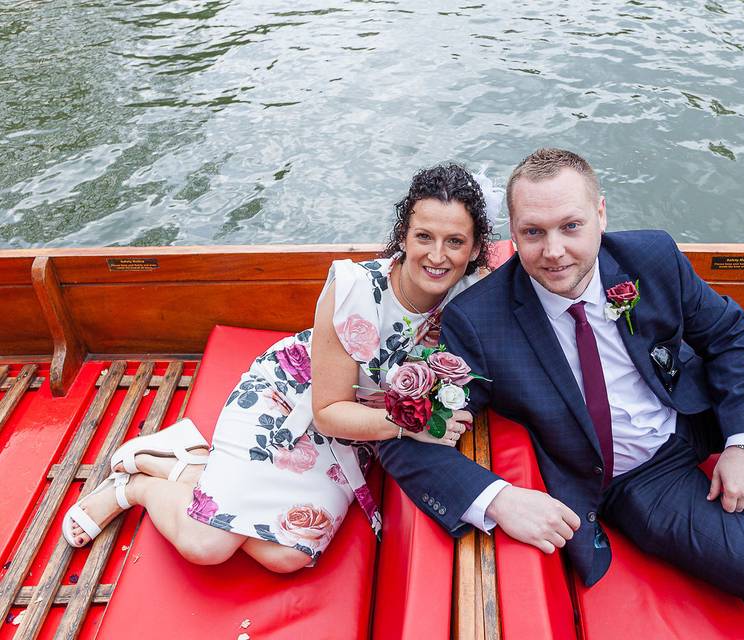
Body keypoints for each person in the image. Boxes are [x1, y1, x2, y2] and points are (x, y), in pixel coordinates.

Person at [379, 148, 744, 605]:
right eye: (533, 232)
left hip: (695, 399)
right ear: (512, 228)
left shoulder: (649, 258)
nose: (554, 251)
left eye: (571, 226)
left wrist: (743, 444)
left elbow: (730, 336)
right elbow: (403, 443)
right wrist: (499, 499)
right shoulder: (476, 322)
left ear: (601, 214)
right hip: (632, 475)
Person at [62, 163, 493, 573]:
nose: (437, 255)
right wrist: (407, 427)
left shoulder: (471, 300)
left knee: (286, 556)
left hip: (358, 436)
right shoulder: (355, 290)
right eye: (424, 236)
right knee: (206, 545)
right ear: (403, 236)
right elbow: (327, 410)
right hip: (292, 396)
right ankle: (133, 488)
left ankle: (189, 464)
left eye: (455, 241)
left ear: (474, 248)